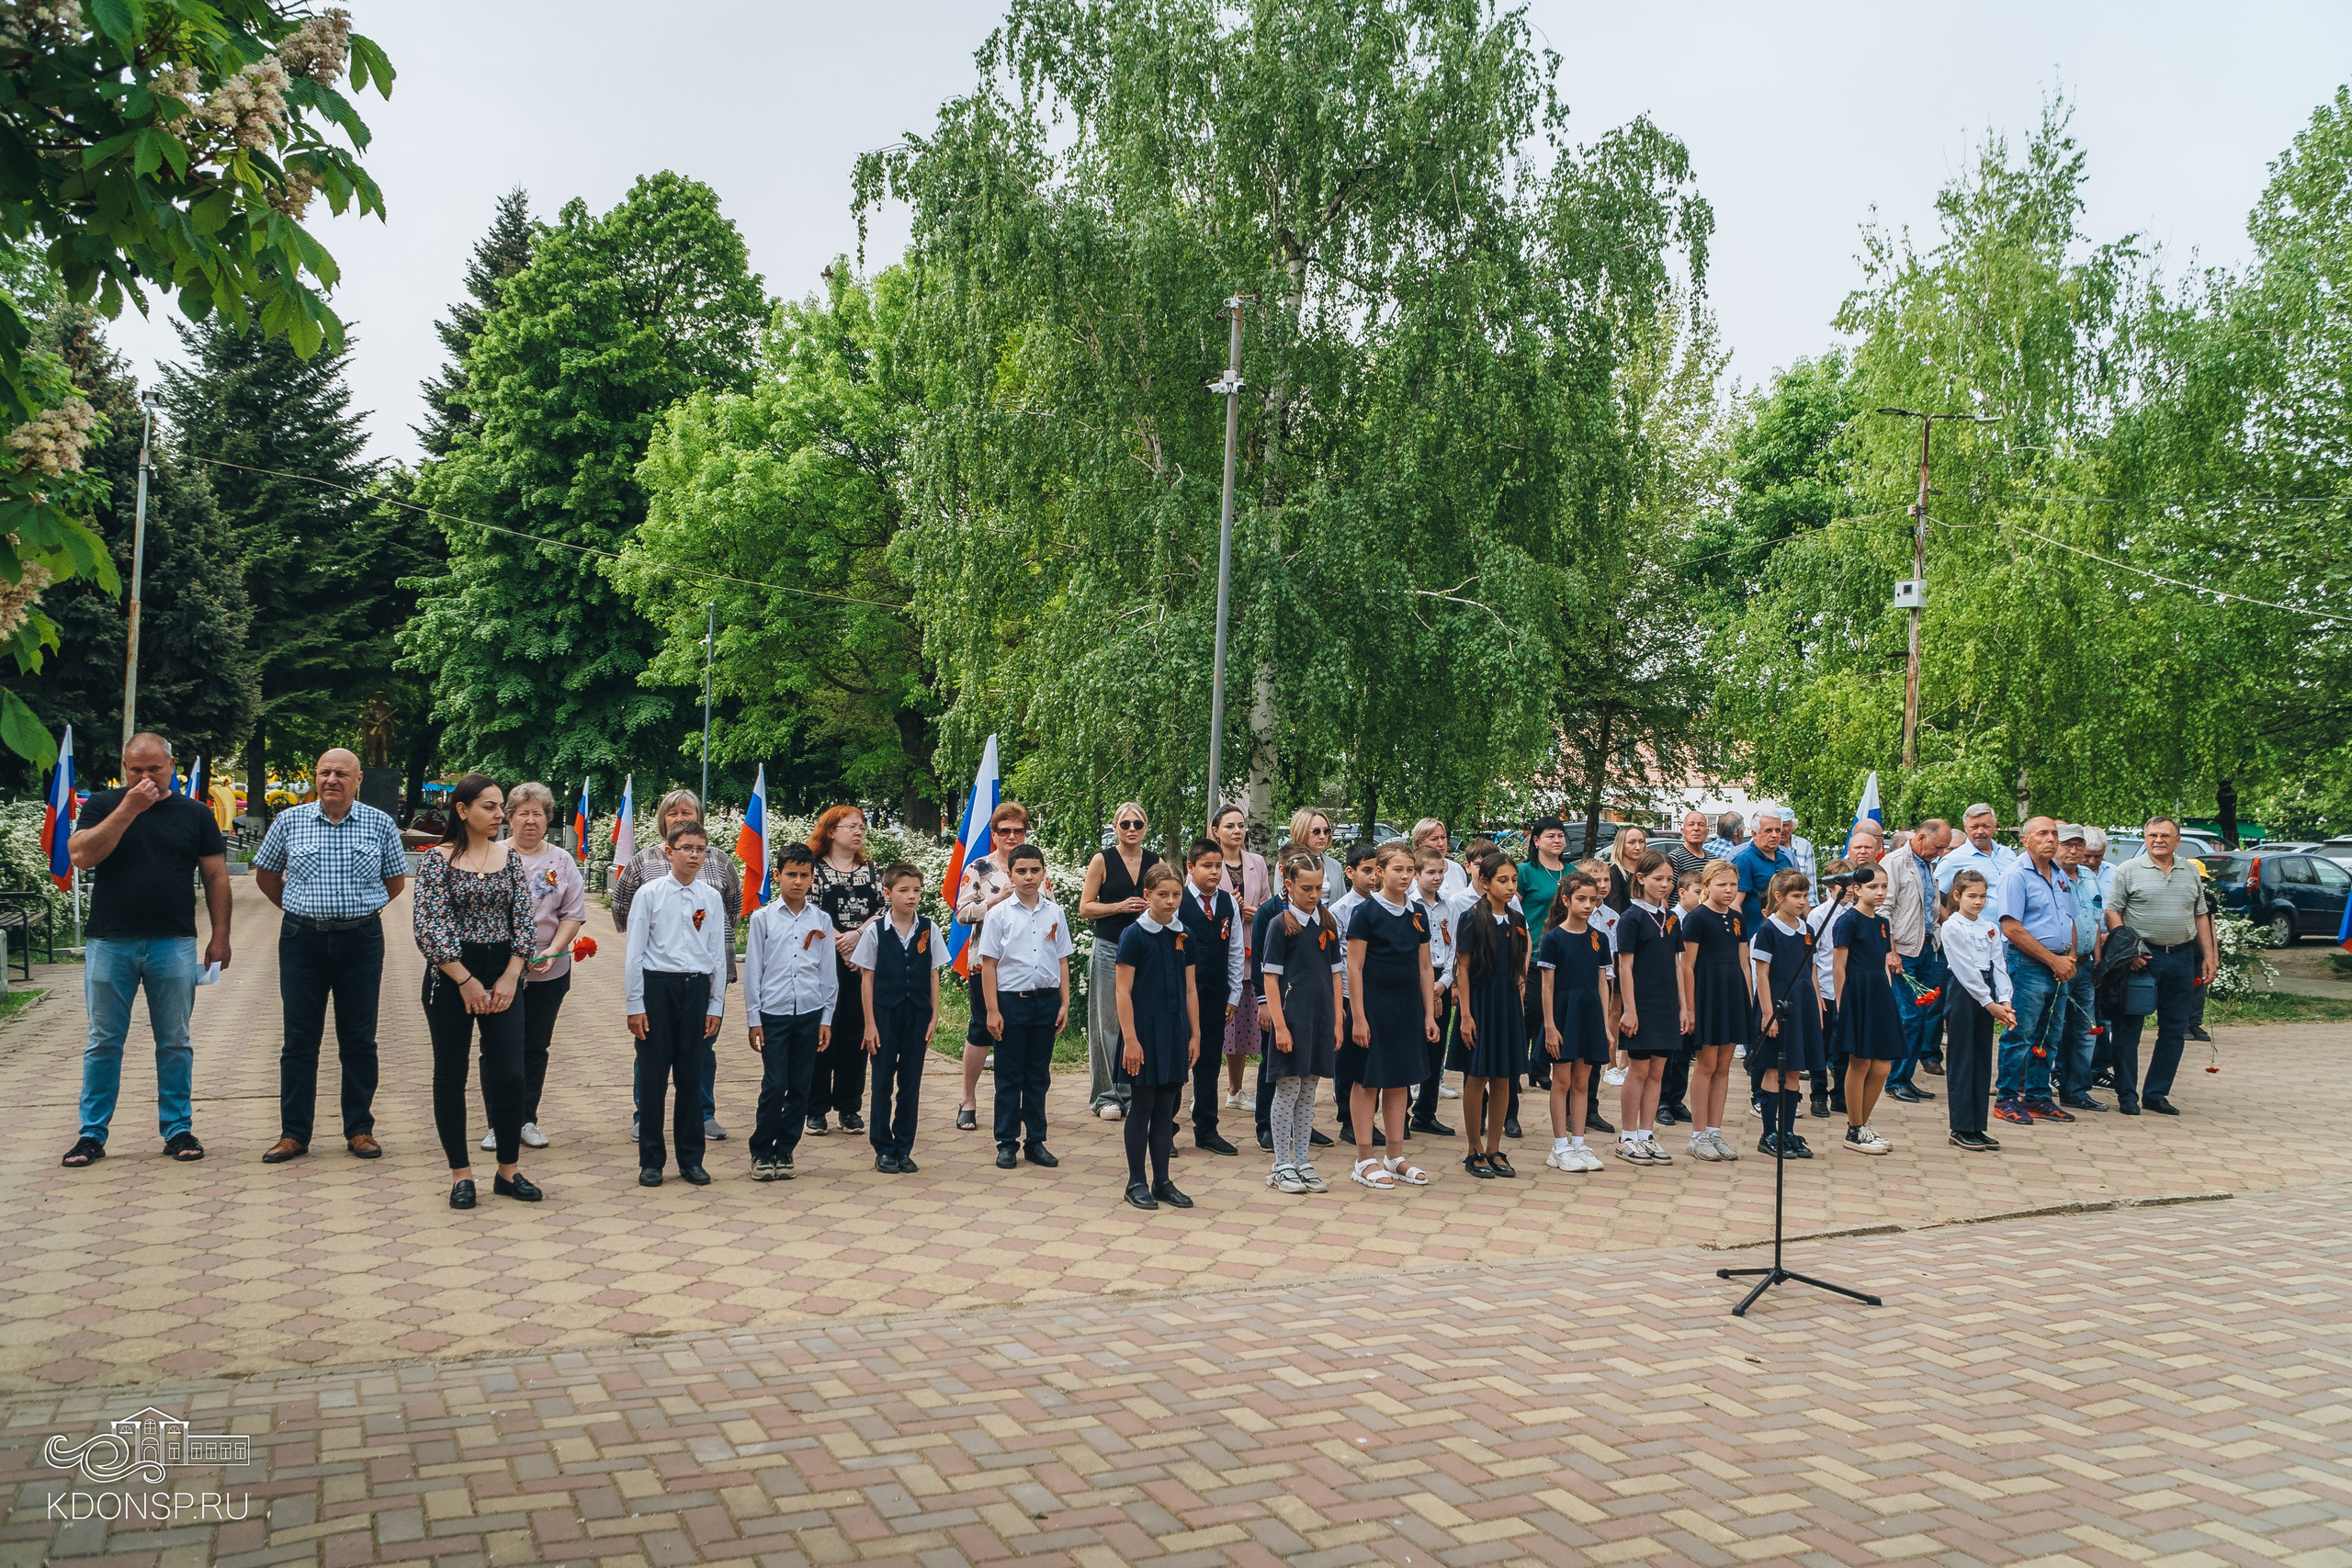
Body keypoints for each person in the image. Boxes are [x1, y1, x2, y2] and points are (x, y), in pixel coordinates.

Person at [62, 732, 231, 1168]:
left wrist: (221, 935)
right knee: (103, 1041)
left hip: (173, 940)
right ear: (124, 768)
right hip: (109, 941)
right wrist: (129, 808)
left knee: (175, 1040)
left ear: (171, 766)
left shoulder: (195, 813)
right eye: (136, 770)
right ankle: (91, 1133)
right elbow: (80, 856)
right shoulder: (103, 805)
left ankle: (177, 1128)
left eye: (154, 768)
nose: (145, 777)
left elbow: (216, 876)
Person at [254, 748, 409, 1165]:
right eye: (325, 772)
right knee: (299, 1039)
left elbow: (395, 882)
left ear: (358, 780)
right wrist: (299, 910)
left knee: (359, 1038)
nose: (331, 780)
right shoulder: (290, 821)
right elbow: (266, 875)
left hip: (361, 940)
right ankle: (293, 1133)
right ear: (316, 778)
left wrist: (359, 909)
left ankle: (359, 1129)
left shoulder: (379, 823)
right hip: (302, 940)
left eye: (341, 773)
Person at [413, 773, 540, 1209]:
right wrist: (464, 980)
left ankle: (508, 1170)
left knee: (510, 1074)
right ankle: (461, 1175)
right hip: (451, 977)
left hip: (504, 972)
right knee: (451, 1075)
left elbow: (524, 920)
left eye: (501, 806)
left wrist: (510, 975)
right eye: (490, 806)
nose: (500, 814)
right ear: (463, 810)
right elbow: (429, 926)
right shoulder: (437, 860)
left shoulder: (509, 858)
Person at [613, 788, 741, 1142]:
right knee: (652, 1056)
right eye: (674, 813)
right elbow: (623, 908)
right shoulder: (644, 864)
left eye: (688, 813)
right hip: (658, 978)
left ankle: (702, 1115)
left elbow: (732, 908)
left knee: (700, 1053)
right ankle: (646, 1118)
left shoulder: (718, 863)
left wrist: (700, 945)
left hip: (702, 976)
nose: (681, 818)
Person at [625, 818, 729, 1186]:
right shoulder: (650, 894)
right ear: (670, 852)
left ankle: (691, 1158)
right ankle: (651, 1159)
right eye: (686, 848)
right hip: (658, 988)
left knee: (690, 1075)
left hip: (695, 990)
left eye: (701, 849)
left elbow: (717, 955)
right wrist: (635, 1004)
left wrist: (715, 1005)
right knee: (653, 1076)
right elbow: (635, 953)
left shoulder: (710, 898)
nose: (694, 855)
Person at [490, 783, 585, 1153]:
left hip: (548, 971)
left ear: (547, 819)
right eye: (523, 813)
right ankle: (498, 1123)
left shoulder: (561, 861)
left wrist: (554, 950)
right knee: (498, 1047)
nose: (530, 820)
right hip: (499, 970)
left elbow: (572, 913)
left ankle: (526, 1118)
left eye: (538, 814)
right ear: (509, 818)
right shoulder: (492, 855)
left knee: (535, 1046)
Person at [2103, 817, 2216, 1117]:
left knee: (2175, 1029)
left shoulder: (2189, 871)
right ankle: (2127, 1094)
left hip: (2181, 958)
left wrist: (2209, 955)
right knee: (2128, 1029)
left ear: (2177, 840)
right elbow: (2112, 912)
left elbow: (2200, 915)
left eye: (2165, 835)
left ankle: (2156, 1093)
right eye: (2152, 835)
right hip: (2142, 959)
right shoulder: (2129, 869)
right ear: (2145, 838)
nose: (2158, 840)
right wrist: (2130, 950)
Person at [1345, 841, 1438, 1190]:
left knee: (1399, 1080)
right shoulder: (1365, 913)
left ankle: (1395, 1156)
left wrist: (1429, 1014)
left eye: (1410, 870)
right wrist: (1358, 1018)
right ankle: (1364, 1159)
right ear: (1380, 872)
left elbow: (1425, 966)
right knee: (1367, 1081)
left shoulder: (1418, 913)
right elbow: (1354, 967)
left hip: (1407, 1009)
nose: (1405, 876)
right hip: (1373, 1009)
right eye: (1398, 869)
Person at [743, 842, 836, 1182]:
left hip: (809, 1011)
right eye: (791, 874)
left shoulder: (821, 920)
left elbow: (827, 973)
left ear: (812, 878)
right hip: (774, 1012)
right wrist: (754, 1018)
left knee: (800, 1085)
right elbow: (754, 971)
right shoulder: (763, 919)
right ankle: (761, 1151)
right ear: (777, 875)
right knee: (775, 1083)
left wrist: (826, 1018)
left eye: (804, 875)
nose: (798, 881)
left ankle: (785, 1150)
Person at [978, 842, 1074, 1167]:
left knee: (1038, 1076)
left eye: (1035, 870)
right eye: (1021, 871)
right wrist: (993, 1010)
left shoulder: (1055, 913)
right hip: (1011, 1002)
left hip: (1045, 1002)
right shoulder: (998, 914)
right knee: (1009, 1076)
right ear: (1010, 875)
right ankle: (1006, 1142)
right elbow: (989, 965)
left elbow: (1062, 960)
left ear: (1044, 873)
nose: (1029, 877)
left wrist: (1064, 1002)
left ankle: (1036, 1141)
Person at [951, 799, 1040, 1130]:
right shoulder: (980, 868)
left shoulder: (1034, 866)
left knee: (1020, 1034)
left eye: (1018, 830)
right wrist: (996, 899)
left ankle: (1018, 1103)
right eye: (1005, 831)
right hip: (986, 962)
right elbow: (962, 913)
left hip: (1026, 967)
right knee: (981, 1029)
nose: (1012, 836)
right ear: (994, 834)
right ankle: (968, 1099)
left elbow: (1051, 911)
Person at [855, 861, 948, 1174]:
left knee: (910, 1082)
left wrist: (933, 1015)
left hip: (917, 1013)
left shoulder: (928, 929)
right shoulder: (876, 931)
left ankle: (904, 1147)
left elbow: (933, 972)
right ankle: (883, 1148)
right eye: (904, 890)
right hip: (884, 1013)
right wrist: (869, 1024)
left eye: (916, 890)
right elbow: (867, 978)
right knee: (882, 1081)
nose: (912, 896)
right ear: (888, 893)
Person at [1115, 862, 1198, 1210]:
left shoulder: (1184, 934)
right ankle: (1136, 1181)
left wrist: (1195, 1035)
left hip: (1175, 1029)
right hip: (1143, 1033)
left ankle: (1162, 1181)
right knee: (1143, 1105)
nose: (1170, 901)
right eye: (1163, 894)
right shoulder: (1133, 935)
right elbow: (1122, 991)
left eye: (1176, 894)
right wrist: (1131, 1040)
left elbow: (1190, 989)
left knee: (1167, 1107)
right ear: (1147, 895)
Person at [1259, 853, 1340, 1195]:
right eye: (1307, 888)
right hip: (1292, 1021)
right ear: (1289, 885)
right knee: (1288, 1090)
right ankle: (1281, 1165)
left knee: (1309, 1093)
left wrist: (1337, 1020)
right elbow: (1270, 979)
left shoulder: (1327, 922)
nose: (1314, 894)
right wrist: (1280, 1026)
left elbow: (1335, 975)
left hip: (1319, 1020)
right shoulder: (1280, 925)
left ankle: (1303, 1161)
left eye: (1319, 887)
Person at [1992, 817, 2079, 1129]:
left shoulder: (2060, 874)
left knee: (2049, 1035)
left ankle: (2038, 1096)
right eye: (2043, 833)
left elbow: (2069, 919)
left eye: (2054, 833)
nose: (2051, 839)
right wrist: (2053, 961)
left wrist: (2070, 958)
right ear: (2025, 840)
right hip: (2029, 965)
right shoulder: (2016, 875)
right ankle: (2006, 1098)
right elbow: (2011, 928)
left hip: (2059, 966)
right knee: (2020, 1034)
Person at [1080, 802, 1162, 1122]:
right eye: (1125, 823)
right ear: (1115, 827)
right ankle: (1106, 1095)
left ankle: (1134, 1092)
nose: (1131, 829)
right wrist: (1119, 907)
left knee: (1140, 1020)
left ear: (1146, 828)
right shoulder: (1102, 860)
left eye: (1137, 824)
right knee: (1108, 1021)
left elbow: (1169, 899)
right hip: (1109, 947)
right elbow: (1086, 908)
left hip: (1146, 949)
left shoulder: (1155, 862)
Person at [1450, 852, 1526, 1179]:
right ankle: (1474, 1149)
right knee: (1477, 1076)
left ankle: (1494, 1148)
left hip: (1507, 1005)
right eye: (1503, 880)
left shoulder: (1517, 920)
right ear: (1485, 882)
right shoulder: (1471, 918)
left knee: (1504, 1076)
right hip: (1480, 1004)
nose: (1510, 887)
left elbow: (1519, 967)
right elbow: (1463, 968)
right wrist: (1466, 1015)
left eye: (1514, 880)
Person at [808, 805, 881, 1138]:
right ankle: (815, 1109)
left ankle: (850, 1108)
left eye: (861, 827)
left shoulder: (871, 871)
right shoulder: (814, 869)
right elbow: (810, 910)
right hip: (825, 959)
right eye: (851, 826)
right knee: (824, 1031)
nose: (858, 832)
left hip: (862, 961)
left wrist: (858, 936)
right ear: (831, 831)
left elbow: (884, 909)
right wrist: (841, 942)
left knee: (856, 1033)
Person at [1612, 849, 1689, 1165]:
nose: (1665, 885)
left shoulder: (1671, 918)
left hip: (1666, 1004)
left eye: (1670, 879)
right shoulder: (1631, 918)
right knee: (1639, 1070)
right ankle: (1627, 1136)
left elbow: (1676, 964)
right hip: (1641, 1004)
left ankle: (1646, 1134)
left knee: (1658, 1071)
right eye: (1659, 879)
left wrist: (1683, 1007)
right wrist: (1629, 1009)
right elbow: (1625, 967)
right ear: (1641, 878)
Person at [1537, 872, 1614, 1172]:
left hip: (1589, 1015)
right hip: (1563, 1015)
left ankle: (1579, 1143)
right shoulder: (1553, 938)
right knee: (1563, 1081)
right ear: (1566, 900)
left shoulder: (1599, 938)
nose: (1588, 905)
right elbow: (1547, 986)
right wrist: (1550, 1026)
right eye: (1581, 899)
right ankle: (1559, 1145)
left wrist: (1605, 1025)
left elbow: (1602, 983)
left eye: (1592, 900)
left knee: (1582, 1082)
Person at [1675, 859, 1748, 1163]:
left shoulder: (1738, 918)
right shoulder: (1697, 919)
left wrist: (1747, 1000)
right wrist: (1690, 1007)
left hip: (1732, 995)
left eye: (1733, 884)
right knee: (1706, 1064)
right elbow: (1687, 966)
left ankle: (1715, 1131)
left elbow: (1743, 962)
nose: (1729, 890)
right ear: (1707, 886)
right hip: (1707, 995)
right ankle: (1698, 1134)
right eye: (1722, 884)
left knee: (1723, 1066)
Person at [1749, 870, 1824, 1159]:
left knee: (1794, 1069)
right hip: (1777, 1006)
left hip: (1802, 1005)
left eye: (1805, 896)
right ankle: (1769, 1133)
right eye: (1796, 896)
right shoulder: (1768, 929)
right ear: (1779, 897)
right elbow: (1762, 974)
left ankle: (1788, 1131)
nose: (1802, 901)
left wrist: (1816, 1003)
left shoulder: (1807, 929)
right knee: (1773, 1068)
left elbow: (1811, 971)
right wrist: (1768, 1013)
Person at [1176, 837, 1243, 1155]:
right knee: (1177, 1061)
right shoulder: (1177, 901)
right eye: (1207, 866)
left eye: (1219, 866)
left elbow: (1236, 950)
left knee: (1209, 1061)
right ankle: (1164, 1128)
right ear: (1190, 867)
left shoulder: (1229, 903)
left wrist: (1234, 994)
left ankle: (1206, 1129)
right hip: (1181, 995)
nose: (1215, 872)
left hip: (1216, 994)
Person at [1831, 866, 1903, 1155]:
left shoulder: (1882, 922)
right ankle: (1854, 1127)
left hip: (1879, 994)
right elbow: (1839, 966)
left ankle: (1863, 1124)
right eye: (1873, 887)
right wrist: (1842, 1003)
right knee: (1860, 1063)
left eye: (1884, 886)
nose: (1880, 892)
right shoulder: (1848, 921)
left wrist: (1887, 991)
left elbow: (1883, 962)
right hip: (1856, 993)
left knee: (1883, 1065)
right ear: (1857, 889)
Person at [1939, 869, 2013, 1152]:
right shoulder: (1952, 926)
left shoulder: (1989, 927)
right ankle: (1960, 1126)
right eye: (1972, 896)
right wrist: (1988, 1002)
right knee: (1962, 1058)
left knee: (1982, 1057)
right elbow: (1964, 968)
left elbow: (1999, 964)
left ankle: (1977, 1126)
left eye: (1983, 896)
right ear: (1958, 896)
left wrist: (2004, 999)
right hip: (1964, 991)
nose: (1979, 902)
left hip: (1987, 991)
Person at [1881, 818, 1951, 1101]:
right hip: (1903, 951)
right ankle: (1895, 1080)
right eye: (1938, 846)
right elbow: (1883, 910)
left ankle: (1906, 1078)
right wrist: (1890, 951)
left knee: (1922, 1017)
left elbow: (1931, 906)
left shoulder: (1928, 865)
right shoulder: (1895, 862)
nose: (1941, 852)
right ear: (1921, 838)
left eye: (1945, 848)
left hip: (1925, 948)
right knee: (1908, 1016)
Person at [1209, 806, 1268, 1107]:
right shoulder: (1208, 862)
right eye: (1230, 826)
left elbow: (1269, 903)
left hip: (1250, 948)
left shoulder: (1257, 862)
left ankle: (1235, 1090)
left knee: (1242, 1025)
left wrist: (1255, 913)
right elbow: (1196, 902)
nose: (1237, 831)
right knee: (1212, 1025)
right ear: (1216, 831)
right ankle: (1204, 1091)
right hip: (1218, 951)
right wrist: (1227, 906)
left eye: (1241, 825)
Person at [2052, 825, 2108, 1113]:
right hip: (2057, 963)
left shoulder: (2088, 876)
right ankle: (2037, 1089)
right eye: (2067, 845)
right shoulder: (2049, 875)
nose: (2073, 851)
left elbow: (2095, 920)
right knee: (2052, 1028)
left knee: (2085, 1031)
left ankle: (2077, 1091)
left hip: (2086, 964)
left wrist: (2098, 960)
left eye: (2078, 845)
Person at [1407, 844, 1459, 1135]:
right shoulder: (1409, 905)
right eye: (1430, 872)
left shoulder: (1448, 906)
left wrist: (1444, 983)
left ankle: (1425, 1113)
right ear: (1416, 874)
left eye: (1441, 872)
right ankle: (1401, 1111)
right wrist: (1428, 988)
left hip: (1441, 977)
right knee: (1411, 1045)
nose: (1437, 877)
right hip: (1416, 978)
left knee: (1435, 1047)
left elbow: (1454, 948)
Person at [1731, 809, 1796, 934]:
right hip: (1755, 934)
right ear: (1754, 834)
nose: (1774, 835)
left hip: (1785, 933)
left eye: (1778, 830)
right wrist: (1741, 937)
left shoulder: (1785, 859)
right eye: (1768, 830)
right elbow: (1734, 903)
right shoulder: (1744, 861)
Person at [1936, 804, 2018, 893]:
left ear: (1995, 826)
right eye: (1974, 827)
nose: (1980, 831)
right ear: (1965, 827)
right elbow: (1934, 896)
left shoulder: (2008, 854)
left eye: (1986, 826)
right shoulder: (1952, 861)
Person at [1411, 817, 1468, 902]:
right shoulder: (1410, 873)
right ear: (1420, 843)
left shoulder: (1457, 869)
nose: (1441, 843)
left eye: (1443, 837)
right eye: (1434, 839)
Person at [1601, 823, 1647, 914]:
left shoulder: (1648, 871)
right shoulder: (1613, 873)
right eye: (1632, 842)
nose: (1638, 847)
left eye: (1641, 842)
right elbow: (1614, 910)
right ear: (1621, 844)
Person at [1666, 810, 1713, 878]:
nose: (1696, 828)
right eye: (1691, 824)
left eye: (1700, 825)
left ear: (1707, 832)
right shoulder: (1674, 859)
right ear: (1683, 832)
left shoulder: (1712, 859)